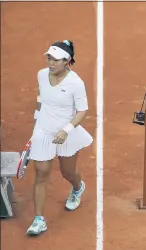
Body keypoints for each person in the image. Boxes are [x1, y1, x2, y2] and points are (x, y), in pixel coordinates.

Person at [26, 40, 93, 236]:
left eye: (55, 59)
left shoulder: (76, 83)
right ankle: (39, 220)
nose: (50, 62)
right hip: (43, 130)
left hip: (67, 132)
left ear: (67, 61)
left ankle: (78, 188)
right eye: (49, 58)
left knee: (68, 172)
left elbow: (82, 111)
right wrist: (36, 126)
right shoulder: (41, 75)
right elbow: (42, 101)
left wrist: (66, 129)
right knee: (41, 172)